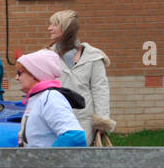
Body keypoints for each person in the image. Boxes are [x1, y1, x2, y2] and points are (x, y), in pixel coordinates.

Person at [46, 10, 113, 143]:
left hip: (84, 122)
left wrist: (101, 121)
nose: (49, 28)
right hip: (56, 120)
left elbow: (100, 89)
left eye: (54, 25)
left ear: (66, 29)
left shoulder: (93, 56)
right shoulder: (47, 56)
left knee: (82, 158)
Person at [15, 49, 86, 148]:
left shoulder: (51, 98)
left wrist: (48, 160)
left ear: (35, 74)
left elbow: (75, 137)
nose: (16, 78)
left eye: (19, 73)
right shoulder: (37, 97)